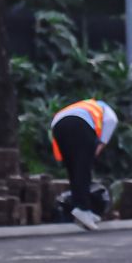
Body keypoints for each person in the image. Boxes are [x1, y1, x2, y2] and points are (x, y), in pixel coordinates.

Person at [51, 98, 118, 231]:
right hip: (80, 125)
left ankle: (81, 208)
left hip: (58, 125)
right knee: (83, 169)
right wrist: (99, 147)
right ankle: (83, 208)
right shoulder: (106, 110)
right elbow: (111, 121)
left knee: (73, 169)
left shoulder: (86, 106)